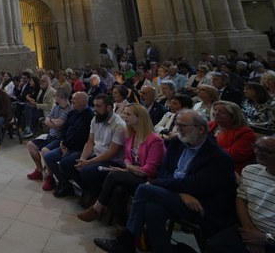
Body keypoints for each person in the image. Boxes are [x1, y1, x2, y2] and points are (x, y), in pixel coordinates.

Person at [94, 109, 237, 253]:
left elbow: (196, 185)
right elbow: (163, 171)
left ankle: (125, 242)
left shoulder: (217, 157)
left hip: (200, 204)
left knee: (145, 189)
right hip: (180, 195)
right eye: (177, 124)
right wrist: (180, 193)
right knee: (152, 208)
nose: (178, 129)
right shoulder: (177, 142)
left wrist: (162, 184)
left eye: (183, 126)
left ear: (200, 129)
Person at [77, 104, 165, 225]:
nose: (124, 116)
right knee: (119, 189)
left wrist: (128, 168)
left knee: (113, 175)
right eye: (124, 113)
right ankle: (121, 229)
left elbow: (150, 170)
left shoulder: (154, 140)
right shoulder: (131, 135)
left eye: (128, 114)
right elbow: (127, 158)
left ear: (140, 118)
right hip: (134, 173)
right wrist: (129, 168)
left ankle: (97, 207)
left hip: (148, 179)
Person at [205, 135, 275, 253]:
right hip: (250, 228)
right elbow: (241, 198)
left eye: (266, 151)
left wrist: (266, 239)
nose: (257, 152)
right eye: (256, 147)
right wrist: (249, 231)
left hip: (270, 236)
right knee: (214, 244)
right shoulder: (250, 170)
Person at [46, 91, 95, 197]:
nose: (71, 101)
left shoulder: (89, 116)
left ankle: (87, 190)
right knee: (49, 156)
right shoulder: (72, 113)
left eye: (74, 99)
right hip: (66, 145)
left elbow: (81, 135)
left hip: (79, 148)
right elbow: (64, 129)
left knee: (66, 162)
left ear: (83, 102)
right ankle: (65, 185)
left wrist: (66, 145)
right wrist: (63, 143)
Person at [209, 101, 256, 174]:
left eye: (221, 112)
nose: (216, 113)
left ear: (233, 116)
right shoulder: (210, 125)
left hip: (230, 169)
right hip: (208, 163)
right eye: (215, 110)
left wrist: (207, 150)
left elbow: (235, 156)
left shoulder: (245, 133)